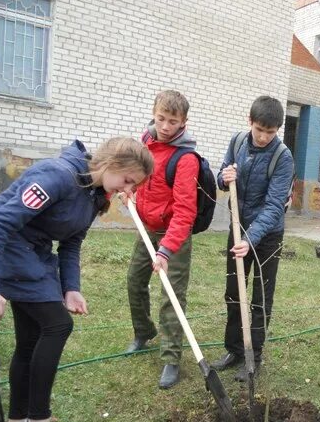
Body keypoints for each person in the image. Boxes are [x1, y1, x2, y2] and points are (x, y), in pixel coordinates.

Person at [0, 137, 153, 422]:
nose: (128, 191)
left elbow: (72, 243)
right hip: (8, 249)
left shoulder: (94, 195)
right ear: (111, 164)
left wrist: (71, 288)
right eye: (128, 180)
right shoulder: (57, 176)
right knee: (57, 325)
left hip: (33, 254)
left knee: (31, 338)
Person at [210, 96, 294, 382]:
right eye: (260, 129)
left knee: (259, 297)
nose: (263, 137)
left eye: (270, 132)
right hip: (237, 229)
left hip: (267, 236)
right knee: (234, 292)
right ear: (250, 122)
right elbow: (222, 177)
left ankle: (253, 355)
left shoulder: (283, 157)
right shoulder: (237, 142)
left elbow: (274, 206)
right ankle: (234, 349)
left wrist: (251, 239)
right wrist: (224, 177)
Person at [124, 90, 200, 390]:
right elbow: (136, 176)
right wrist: (129, 188)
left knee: (171, 295)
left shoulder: (186, 158)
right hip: (147, 226)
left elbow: (185, 211)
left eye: (173, 121)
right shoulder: (144, 143)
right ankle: (144, 332)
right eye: (161, 119)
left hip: (174, 234)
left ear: (184, 122)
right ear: (153, 114)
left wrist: (167, 250)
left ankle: (171, 358)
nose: (166, 127)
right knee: (134, 280)